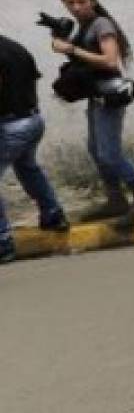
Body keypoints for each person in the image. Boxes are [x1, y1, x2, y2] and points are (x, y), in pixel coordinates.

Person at [54, 0, 134, 229]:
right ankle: (115, 198)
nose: (76, 7)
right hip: (96, 95)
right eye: (71, 3)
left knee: (108, 153)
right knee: (95, 148)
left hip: (110, 94)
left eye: (82, 1)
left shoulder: (102, 24)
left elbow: (110, 61)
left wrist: (71, 49)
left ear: (93, 1)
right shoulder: (85, 26)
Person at [0, 33, 69, 263]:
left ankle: (3, 243)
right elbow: (32, 80)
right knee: (27, 167)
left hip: (11, 125)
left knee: (27, 167)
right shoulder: (16, 47)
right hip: (32, 120)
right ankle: (53, 215)